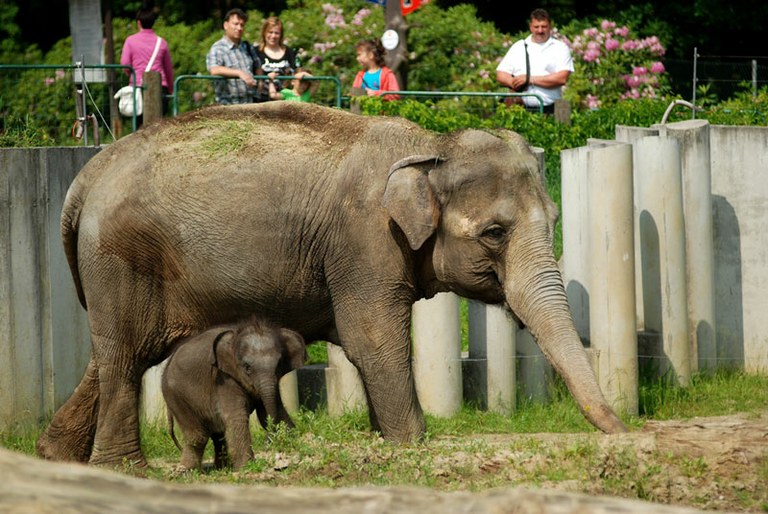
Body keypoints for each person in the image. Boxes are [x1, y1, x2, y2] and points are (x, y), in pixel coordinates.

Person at [495, 8, 574, 114]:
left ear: (550, 26)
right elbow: (500, 74)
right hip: (520, 109)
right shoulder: (519, 46)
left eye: (544, 26)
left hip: (552, 108)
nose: (540, 30)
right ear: (530, 27)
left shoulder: (560, 48)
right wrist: (514, 82)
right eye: (536, 27)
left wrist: (529, 80)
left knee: (561, 125)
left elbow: (562, 78)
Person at [119, 7, 174, 122]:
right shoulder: (162, 42)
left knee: (140, 127)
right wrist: (170, 88)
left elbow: (125, 63)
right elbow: (168, 68)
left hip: (138, 86)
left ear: (138, 23)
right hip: (160, 87)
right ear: (153, 22)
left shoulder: (130, 40)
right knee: (159, 125)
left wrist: (132, 75)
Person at [206, 8, 260, 104]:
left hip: (250, 104)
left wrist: (260, 84)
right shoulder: (218, 48)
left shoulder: (247, 46)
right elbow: (214, 69)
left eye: (242, 25)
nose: (239, 28)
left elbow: (258, 66)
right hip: (228, 105)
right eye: (235, 24)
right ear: (225, 25)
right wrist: (239, 73)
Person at [253, 16, 300, 102]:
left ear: (281, 35)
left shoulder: (290, 52)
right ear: (264, 33)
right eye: (270, 32)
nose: (273, 36)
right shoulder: (255, 52)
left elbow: (298, 72)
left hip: (286, 100)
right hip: (261, 101)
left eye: (276, 33)